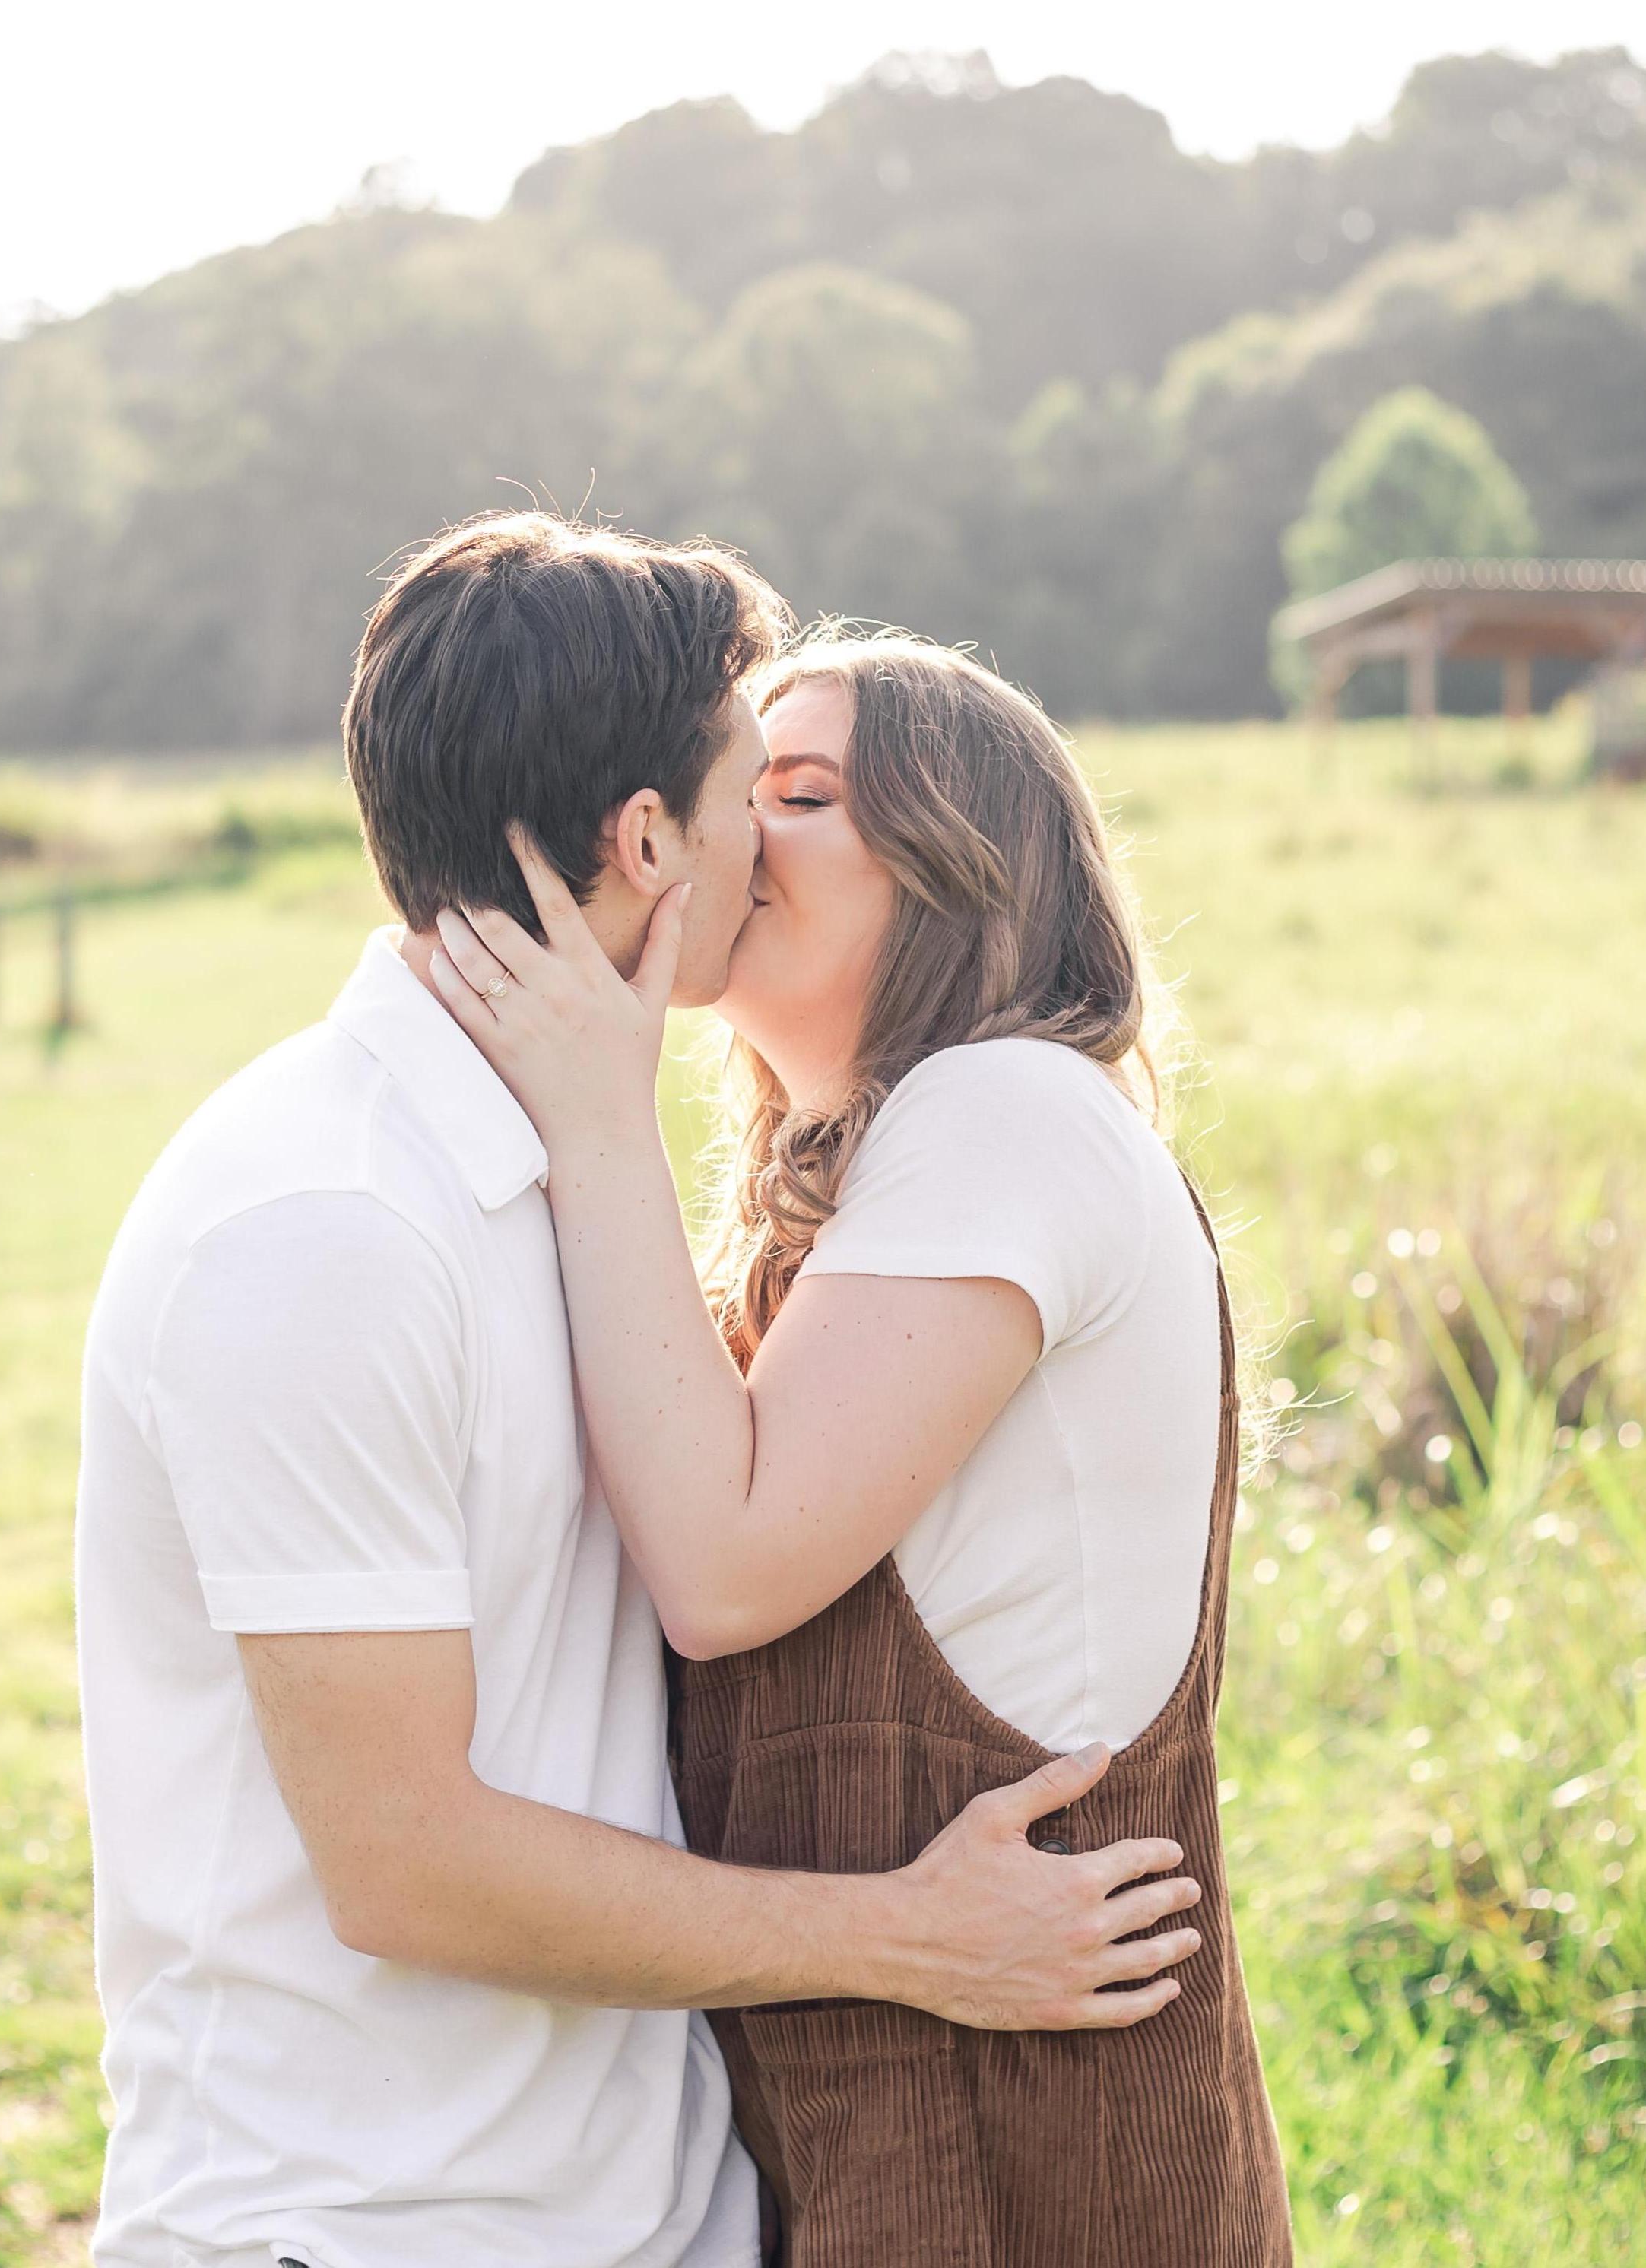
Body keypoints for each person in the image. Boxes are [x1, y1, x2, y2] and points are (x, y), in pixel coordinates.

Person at [75, 523, 1205, 2268]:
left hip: (659, 2206)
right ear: (650, 837)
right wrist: (902, 1936)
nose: (766, 832)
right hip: (370, 2222)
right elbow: (404, 1858)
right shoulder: (324, 1224)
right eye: (762, 782)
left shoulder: (565, 1184)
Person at [429, 627, 1294, 2264]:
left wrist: (592, 1107)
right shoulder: (881, 1181)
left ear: (967, 857)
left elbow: (722, 1565)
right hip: (895, 2128)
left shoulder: (1003, 1110)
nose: (734, 828)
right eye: (732, 785)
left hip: (1028, 2151)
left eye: (802, 789)